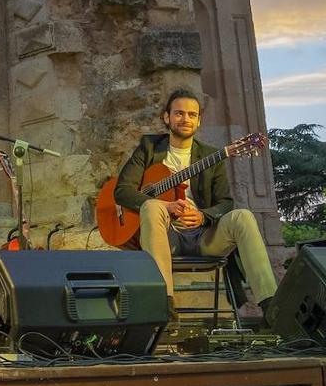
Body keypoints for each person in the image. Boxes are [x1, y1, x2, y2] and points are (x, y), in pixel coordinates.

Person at [114, 88, 277, 314]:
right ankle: (163, 304)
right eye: (179, 113)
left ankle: (271, 306)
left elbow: (226, 202)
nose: (185, 119)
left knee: (243, 216)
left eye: (192, 115)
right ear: (166, 117)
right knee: (152, 205)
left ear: (199, 121)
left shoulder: (211, 156)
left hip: (204, 237)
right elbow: (122, 191)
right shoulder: (149, 148)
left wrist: (203, 216)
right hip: (166, 236)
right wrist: (165, 205)